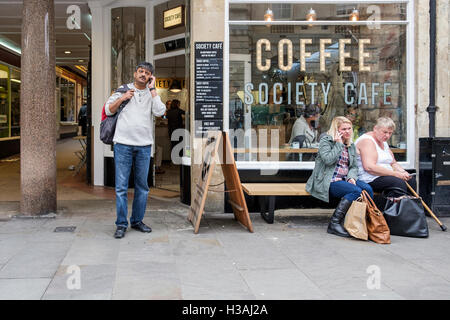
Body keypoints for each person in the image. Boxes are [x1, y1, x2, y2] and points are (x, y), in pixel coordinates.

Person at [104, 62, 166, 239]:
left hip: (144, 146)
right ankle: (121, 224)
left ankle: (137, 221)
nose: (143, 75)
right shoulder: (122, 89)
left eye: (147, 73)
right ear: (135, 73)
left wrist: (153, 90)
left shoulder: (151, 94)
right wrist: (123, 98)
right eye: (141, 72)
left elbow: (160, 111)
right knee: (121, 187)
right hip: (122, 144)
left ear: (150, 77)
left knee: (142, 187)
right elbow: (108, 111)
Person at [306, 116, 374, 237]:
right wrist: (338, 144)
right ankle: (334, 223)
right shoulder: (326, 141)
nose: (347, 131)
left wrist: (351, 177)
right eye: (344, 129)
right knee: (356, 191)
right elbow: (328, 160)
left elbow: (353, 167)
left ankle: (363, 221)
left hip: (344, 179)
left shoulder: (351, 145)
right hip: (328, 180)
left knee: (367, 189)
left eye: (349, 128)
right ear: (336, 130)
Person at [355, 117, 416, 197]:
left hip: (385, 175)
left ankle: (410, 207)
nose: (387, 136)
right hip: (370, 178)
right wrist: (394, 174)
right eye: (385, 132)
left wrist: (403, 172)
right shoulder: (367, 141)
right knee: (397, 183)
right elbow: (369, 167)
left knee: (411, 181)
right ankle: (391, 208)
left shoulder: (383, 141)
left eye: (390, 133)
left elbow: (393, 162)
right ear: (375, 129)